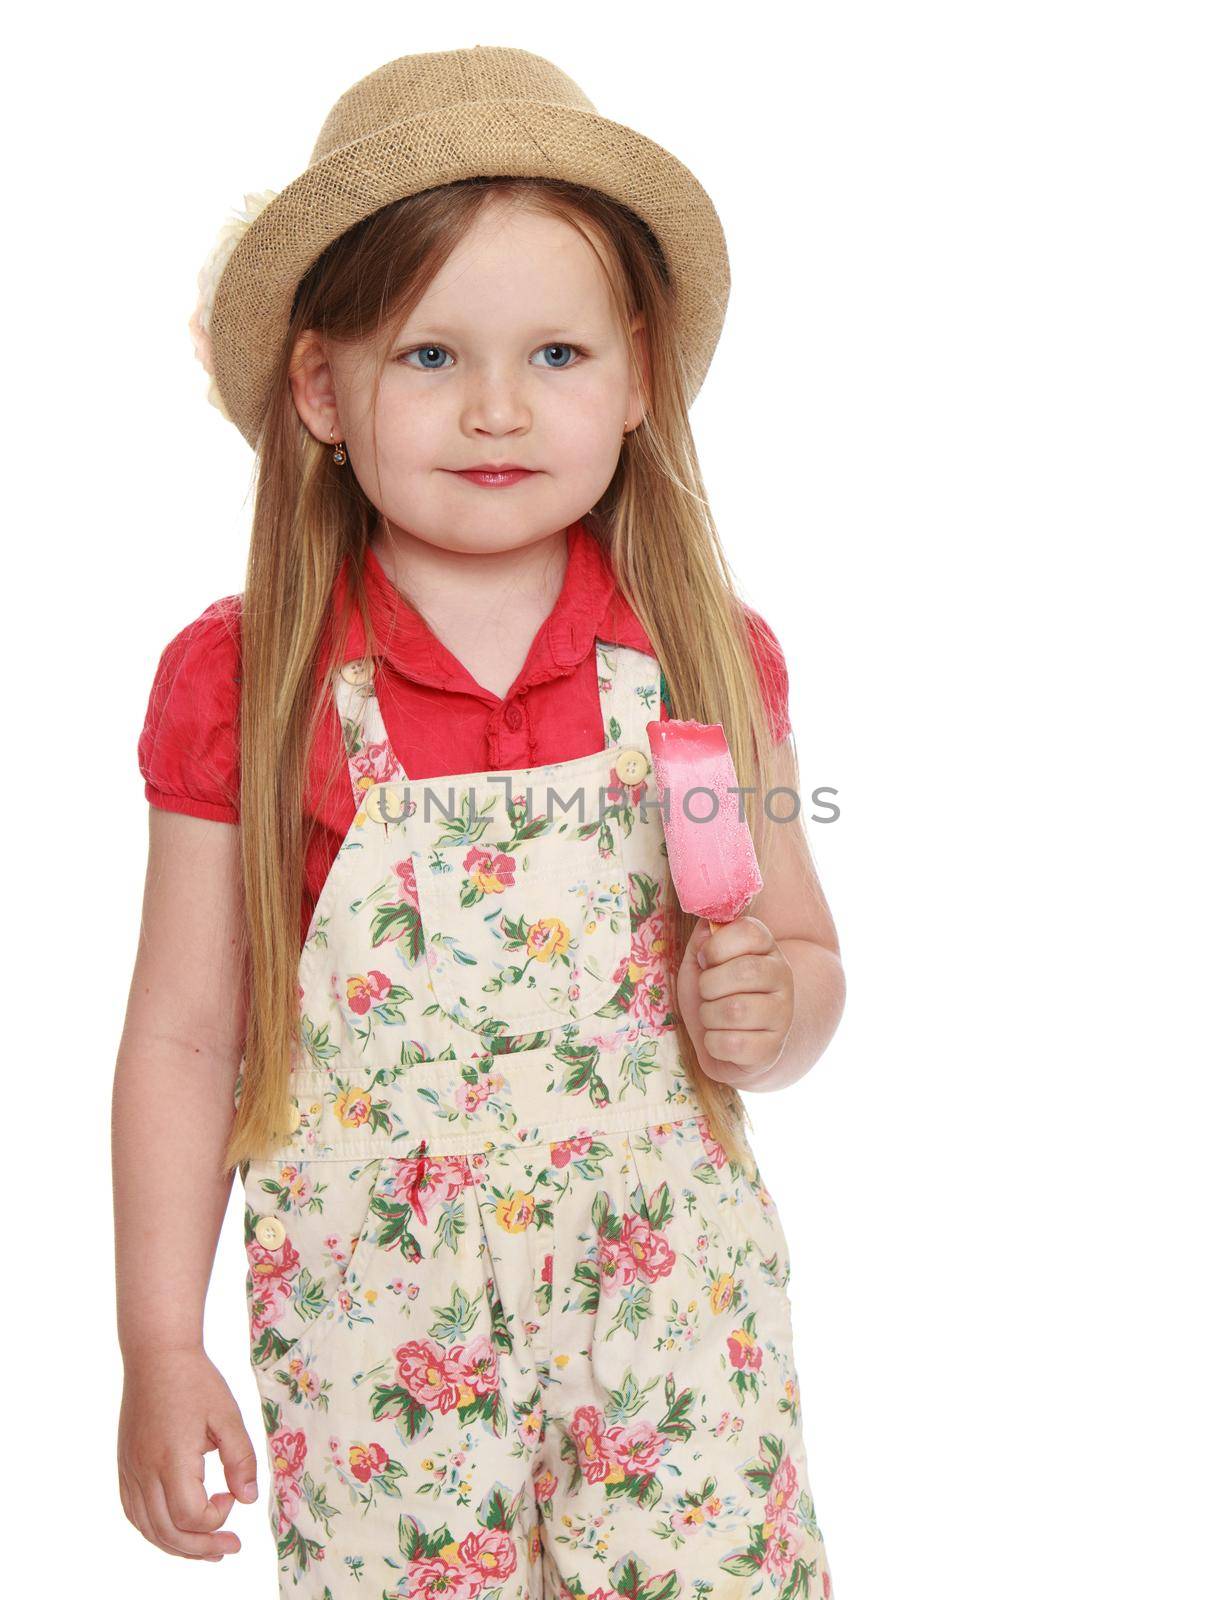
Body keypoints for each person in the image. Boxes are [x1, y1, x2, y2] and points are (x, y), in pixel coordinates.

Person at [114, 45, 844, 1600]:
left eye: (559, 357)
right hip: (386, 1329)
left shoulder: (704, 651)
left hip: (672, 1312)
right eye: (431, 357)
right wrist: (159, 1343)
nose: (499, 410)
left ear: (638, 373)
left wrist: (773, 1009)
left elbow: (799, 953)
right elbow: (185, 1034)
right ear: (323, 385)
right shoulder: (251, 681)